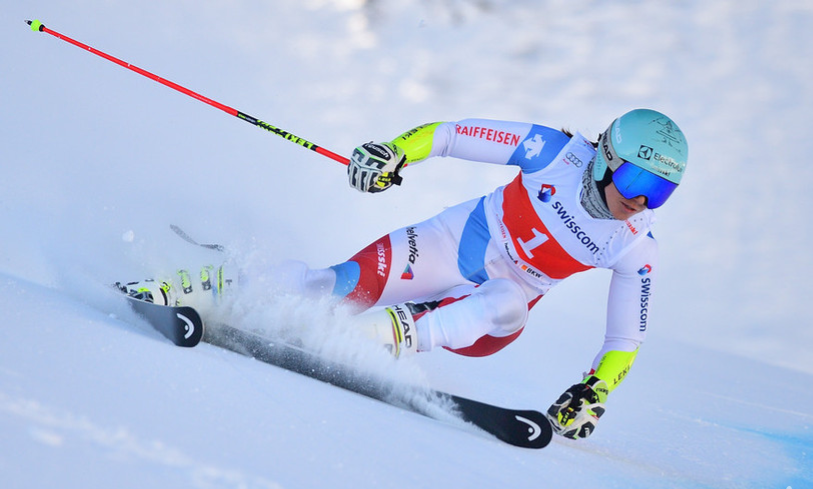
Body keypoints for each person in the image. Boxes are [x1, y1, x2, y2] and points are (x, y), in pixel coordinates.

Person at [118, 109, 688, 440]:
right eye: (639, 181)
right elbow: (449, 134)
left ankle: (372, 340)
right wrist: (394, 154)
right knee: (331, 286)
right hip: (448, 244)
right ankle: (193, 286)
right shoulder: (551, 151)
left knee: (506, 301)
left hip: (492, 312)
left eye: (661, 191)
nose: (643, 201)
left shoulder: (636, 245)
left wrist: (596, 390)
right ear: (604, 157)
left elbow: (624, 338)